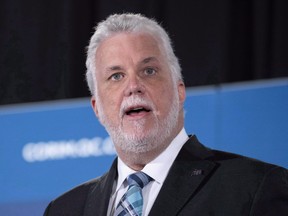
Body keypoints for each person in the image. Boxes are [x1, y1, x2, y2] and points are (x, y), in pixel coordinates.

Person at [44, 13, 288, 216]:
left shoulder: (256, 187)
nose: (133, 86)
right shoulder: (64, 209)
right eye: (116, 76)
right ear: (97, 107)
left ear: (179, 91)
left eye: (148, 70)